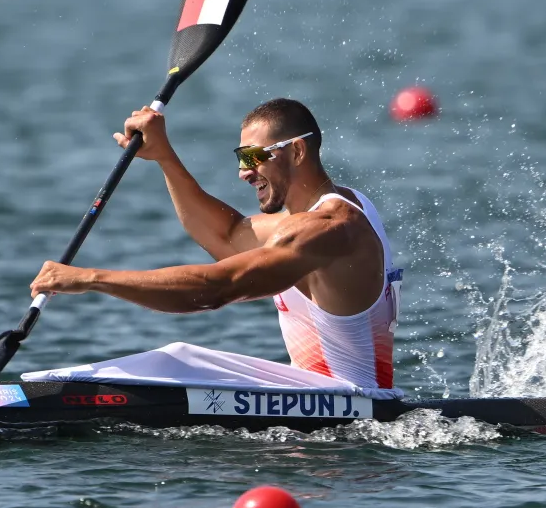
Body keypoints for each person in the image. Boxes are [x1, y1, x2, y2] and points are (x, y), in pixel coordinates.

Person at [30, 98, 402, 390]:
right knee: (175, 360)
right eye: (242, 158)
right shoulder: (316, 216)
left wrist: (91, 278)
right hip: (320, 393)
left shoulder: (330, 228)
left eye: (255, 156)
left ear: (298, 152)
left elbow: (216, 289)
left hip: (350, 403)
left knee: (172, 363)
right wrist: (163, 155)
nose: (244, 172)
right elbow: (225, 235)